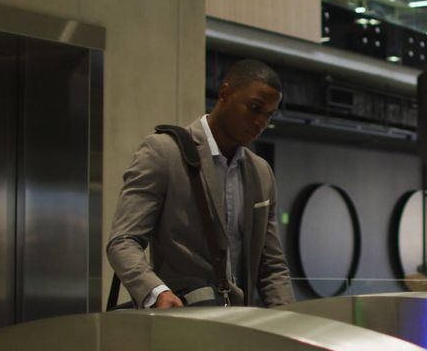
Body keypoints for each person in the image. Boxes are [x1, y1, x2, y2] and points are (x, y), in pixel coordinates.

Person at [107, 59, 294, 308]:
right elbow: (123, 241)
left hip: (240, 324)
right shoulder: (164, 151)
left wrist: (288, 323)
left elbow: (271, 266)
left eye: (268, 115)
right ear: (225, 93)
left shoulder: (261, 172)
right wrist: (156, 292)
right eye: (254, 108)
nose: (260, 122)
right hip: (182, 319)